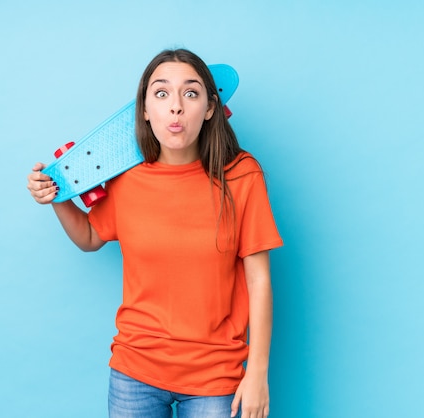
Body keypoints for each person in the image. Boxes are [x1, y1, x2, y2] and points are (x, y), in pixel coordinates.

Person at [27, 49, 283, 418]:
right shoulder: (126, 179)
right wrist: (56, 197)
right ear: (145, 109)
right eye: (161, 94)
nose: (176, 107)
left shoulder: (242, 175)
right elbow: (88, 237)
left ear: (211, 107)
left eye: (190, 93)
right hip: (136, 371)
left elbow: (259, 281)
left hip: (215, 375)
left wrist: (258, 374)